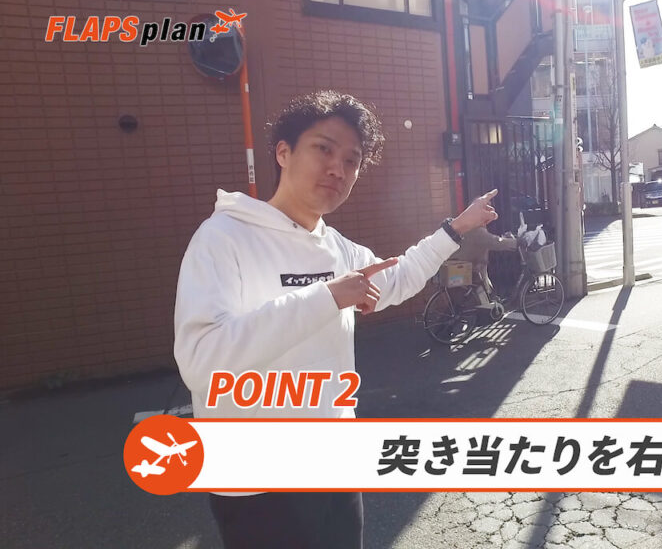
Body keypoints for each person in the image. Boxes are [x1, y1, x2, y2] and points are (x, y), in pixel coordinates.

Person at [173, 90, 500, 549]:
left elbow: (400, 276)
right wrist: (326, 297)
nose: (338, 169)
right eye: (323, 149)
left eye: (352, 160)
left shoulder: (337, 247)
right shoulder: (224, 238)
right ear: (283, 153)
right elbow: (201, 361)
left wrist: (456, 228)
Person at [448, 226, 518, 300]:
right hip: (469, 271)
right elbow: (495, 242)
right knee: (483, 290)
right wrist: (516, 242)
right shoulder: (476, 230)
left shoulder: (462, 228)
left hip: (455, 269)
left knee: (484, 284)